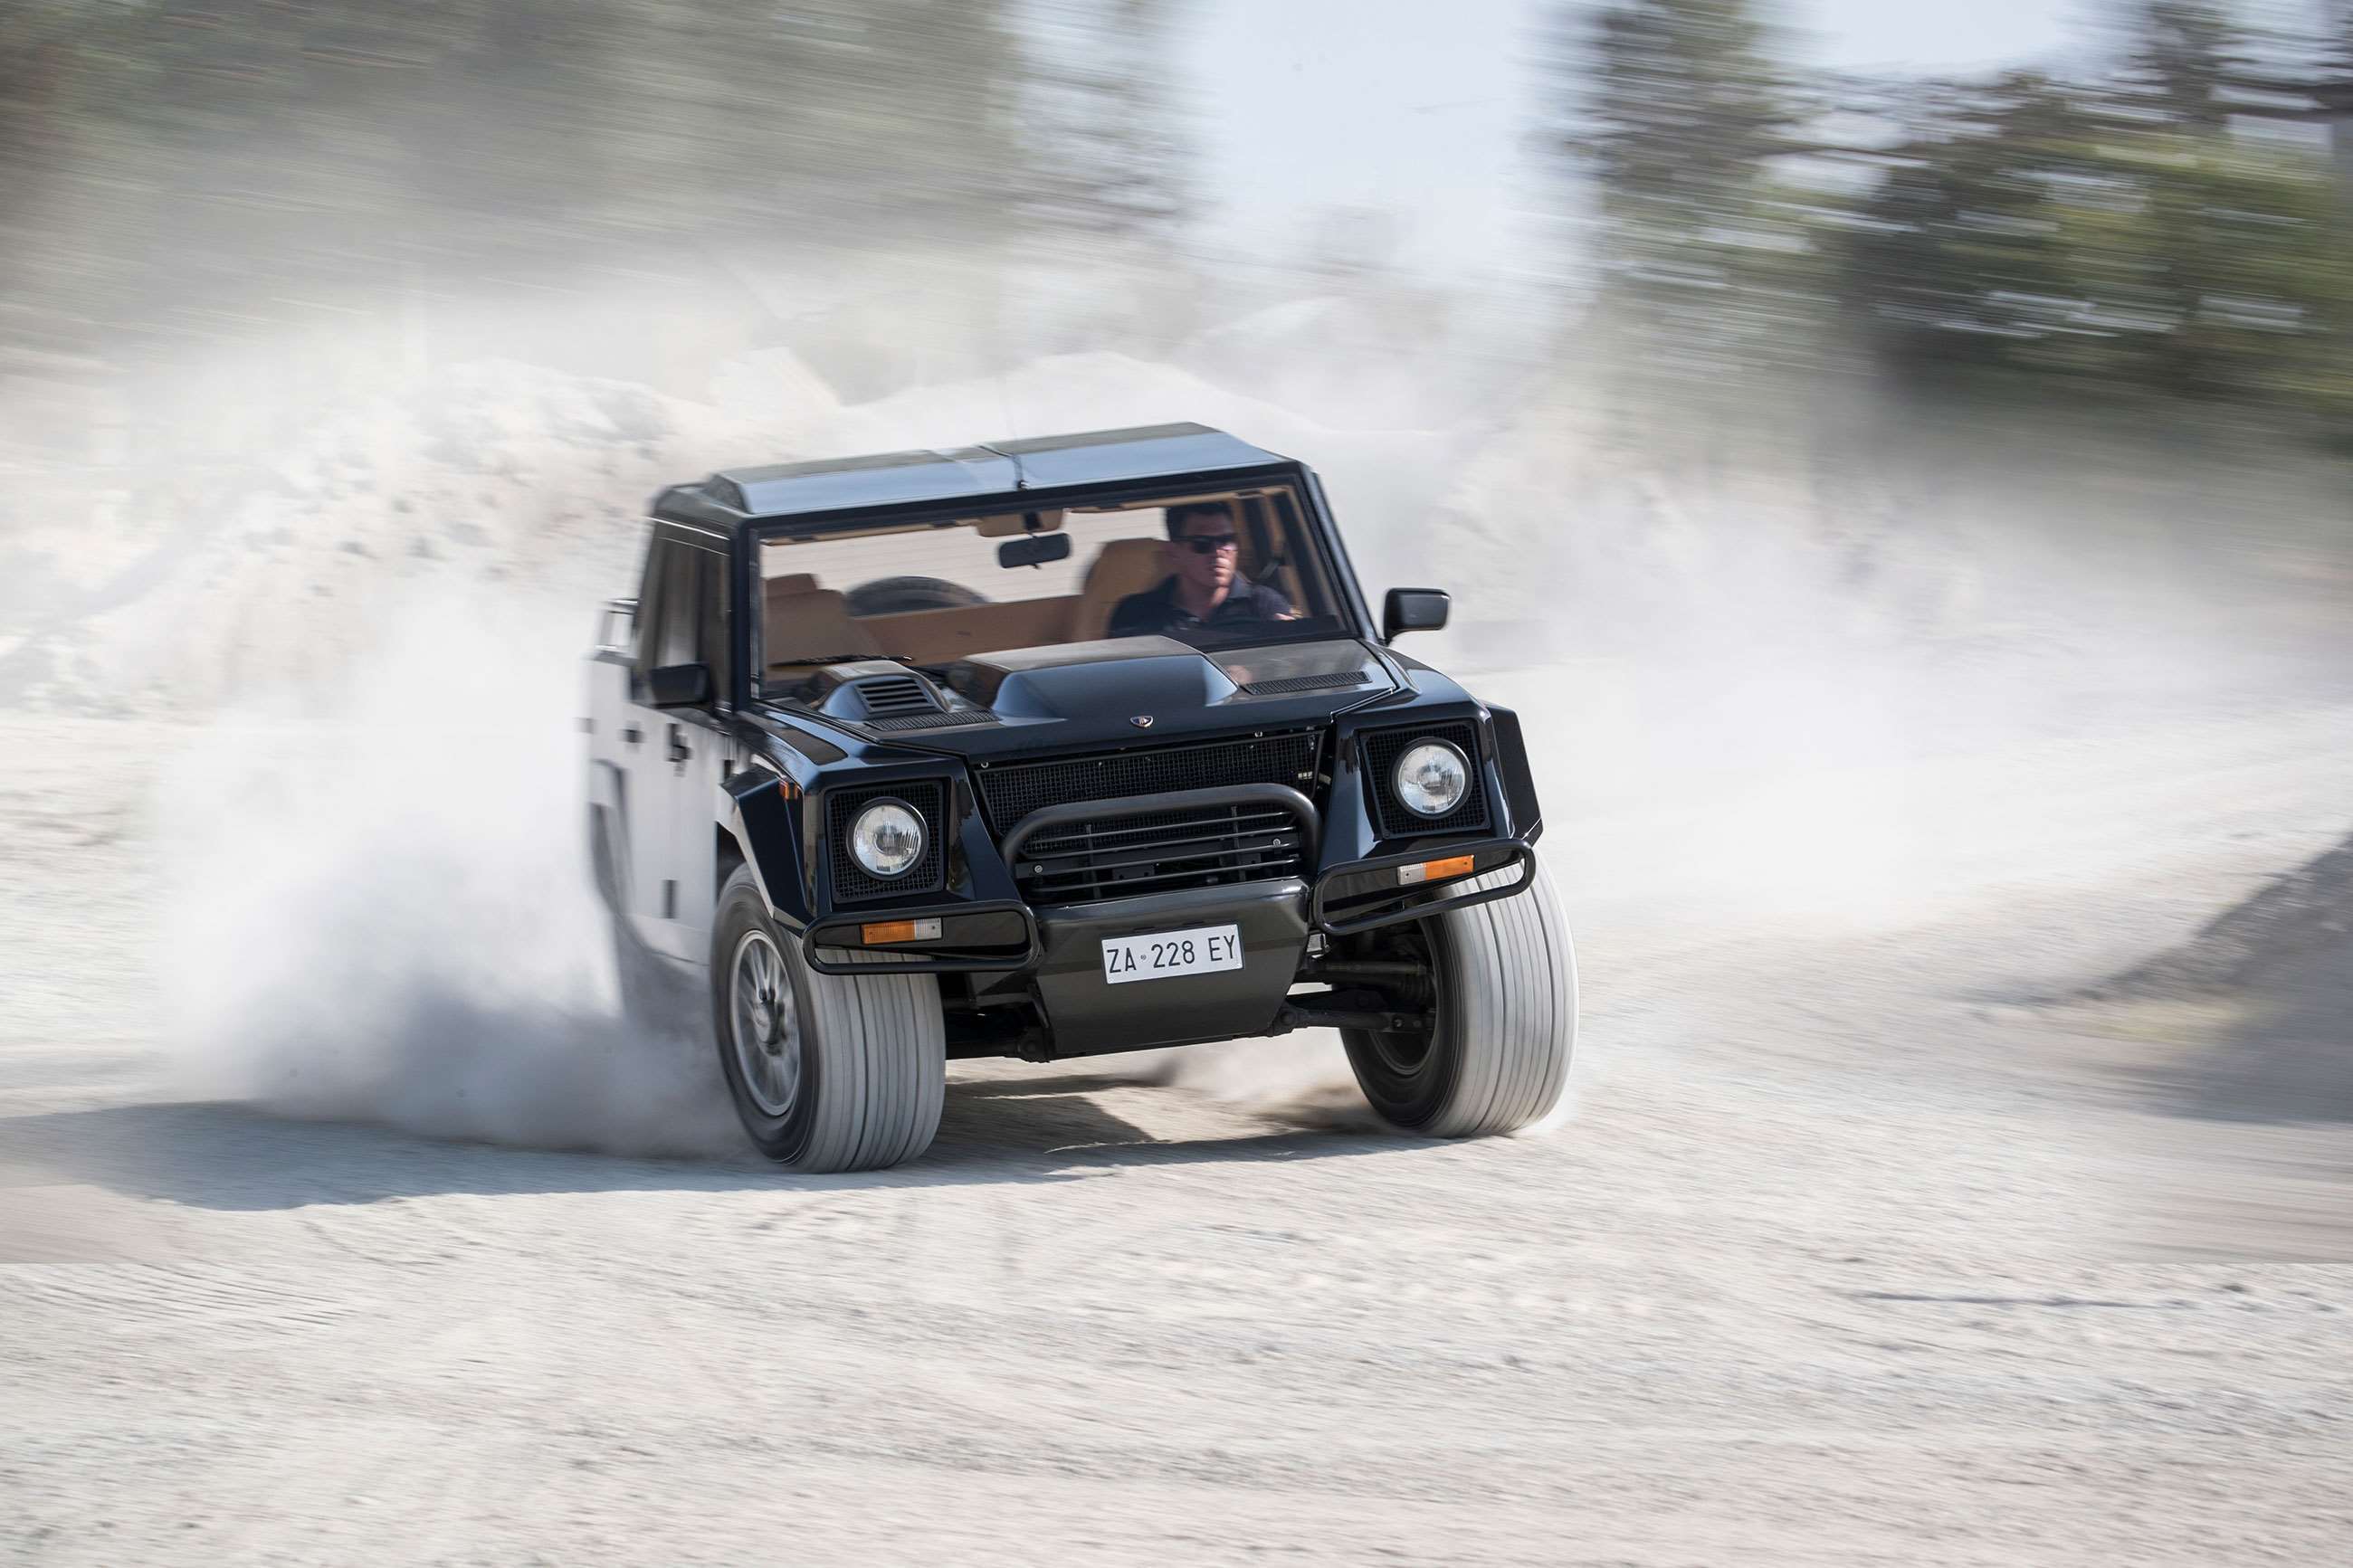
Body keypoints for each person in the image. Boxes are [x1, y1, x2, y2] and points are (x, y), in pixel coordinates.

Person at [1107, 499, 1295, 639]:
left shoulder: (1264, 605)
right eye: (1202, 544)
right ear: (1173, 552)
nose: (1218, 552)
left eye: (1226, 541)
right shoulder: (1135, 615)